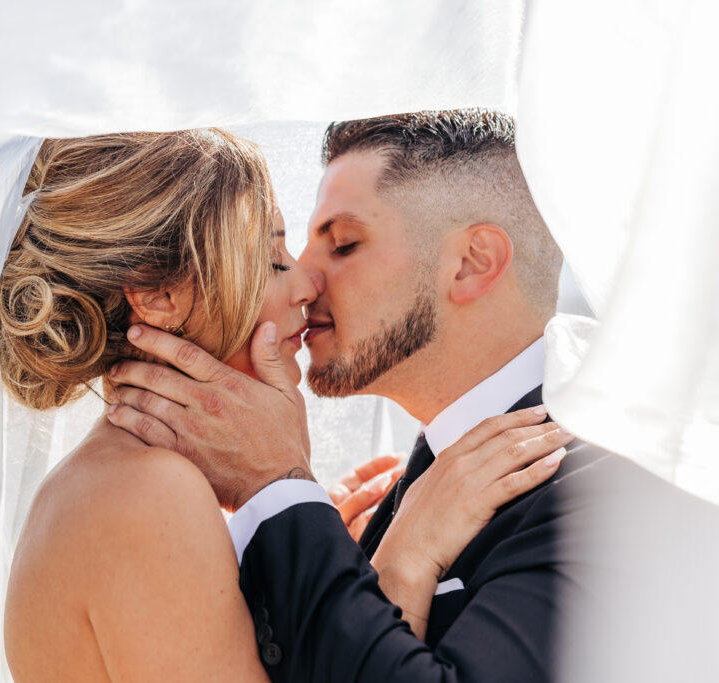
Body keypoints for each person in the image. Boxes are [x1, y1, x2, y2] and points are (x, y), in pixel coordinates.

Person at [106, 110, 719, 681]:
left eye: (344, 243)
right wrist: (369, 564)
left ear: (471, 263)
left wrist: (278, 488)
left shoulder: (618, 487)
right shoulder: (409, 491)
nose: (305, 278)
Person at [0, 128, 571, 682]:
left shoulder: (136, 483)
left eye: (343, 245)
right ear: (159, 296)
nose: (305, 285)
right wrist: (397, 565)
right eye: (274, 261)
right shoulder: (147, 493)